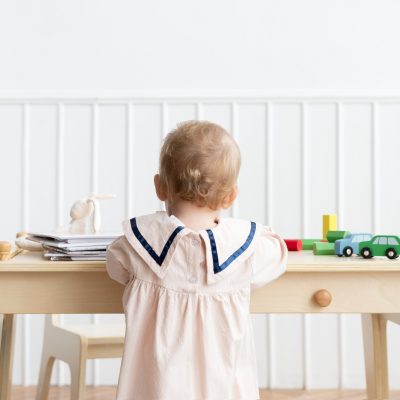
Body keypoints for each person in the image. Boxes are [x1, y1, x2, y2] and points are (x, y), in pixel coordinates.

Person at [106, 120, 288, 400]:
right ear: (230, 197)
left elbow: (114, 264)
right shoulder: (242, 249)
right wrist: (260, 231)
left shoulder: (139, 245)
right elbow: (277, 254)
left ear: (159, 187)